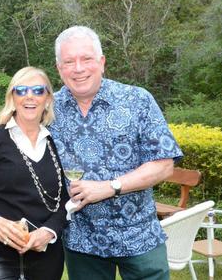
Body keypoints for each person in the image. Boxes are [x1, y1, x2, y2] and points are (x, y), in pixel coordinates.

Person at [50, 25, 183, 280]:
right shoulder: (48, 109)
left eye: (86, 59)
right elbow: (12, 131)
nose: (78, 68)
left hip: (139, 237)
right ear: (59, 68)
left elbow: (164, 164)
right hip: (81, 241)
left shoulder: (137, 100)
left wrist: (110, 187)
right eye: (69, 61)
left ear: (102, 62)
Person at [0, 66, 68, 280]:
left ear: (48, 99)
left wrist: (49, 232)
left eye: (38, 91)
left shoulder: (57, 143)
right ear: (12, 98)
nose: (29, 97)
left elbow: (66, 200)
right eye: (21, 90)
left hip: (46, 256)